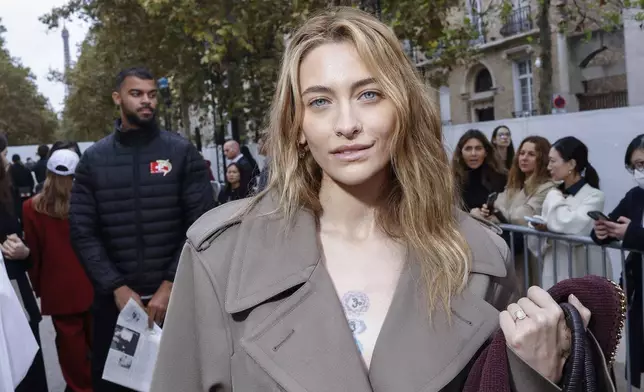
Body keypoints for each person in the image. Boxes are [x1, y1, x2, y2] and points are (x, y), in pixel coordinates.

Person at [152, 8, 602, 391]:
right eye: (321, 101)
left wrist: (540, 371)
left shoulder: (480, 255)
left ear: (403, 109)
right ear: (297, 127)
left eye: (369, 94)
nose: (347, 123)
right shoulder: (220, 257)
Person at [69, 67, 216, 391]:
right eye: (137, 94)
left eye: (151, 94)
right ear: (117, 98)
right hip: (117, 308)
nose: (146, 101)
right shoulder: (94, 159)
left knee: (181, 383)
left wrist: (171, 283)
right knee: (119, 385)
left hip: (177, 303)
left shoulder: (180, 152)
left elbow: (202, 223)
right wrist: (117, 288)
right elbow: (82, 230)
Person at [23, 148, 94, 392]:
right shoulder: (88, 203)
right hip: (93, 284)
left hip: (58, 289)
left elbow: (35, 253)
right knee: (100, 345)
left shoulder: (31, 208)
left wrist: (38, 286)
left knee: (70, 350)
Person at [592, 133, 644, 389]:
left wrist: (631, 233)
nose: (640, 171)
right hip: (639, 290)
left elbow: (630, 231)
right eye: (637, 165)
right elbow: (612, 221)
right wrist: (601, 231)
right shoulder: (635, 195)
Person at [473, 135, 555, 291]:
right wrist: (491, 212)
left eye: (531, 154)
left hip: (532, 255)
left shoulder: (547, 187)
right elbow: (499, 205)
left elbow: (521, 217)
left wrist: (498, 214)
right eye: (522, 153)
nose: (524, 158)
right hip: (512, 253)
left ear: (542, 158)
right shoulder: (514, 184)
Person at [0, 134, 48, 392]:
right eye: (4, 154)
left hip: (16, 289)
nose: (6, 161)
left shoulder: (6, 190)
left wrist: (25, 251)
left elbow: (20, 242)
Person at [527, 136, 606, 289]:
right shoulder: (554, 194)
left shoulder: (594, 196)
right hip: (555, 269)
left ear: (571, 164)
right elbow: (542, 237)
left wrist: (555, 199)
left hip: (583, 271)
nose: (549, 166)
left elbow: (572, 226)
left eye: (553, 161)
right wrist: (540, 226)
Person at [451, 129, 506, 211]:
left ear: (486, 152)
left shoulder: (500, 177)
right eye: (468, 149)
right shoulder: (452, 179)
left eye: (478, 148)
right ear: (461, 153)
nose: (473, 153)